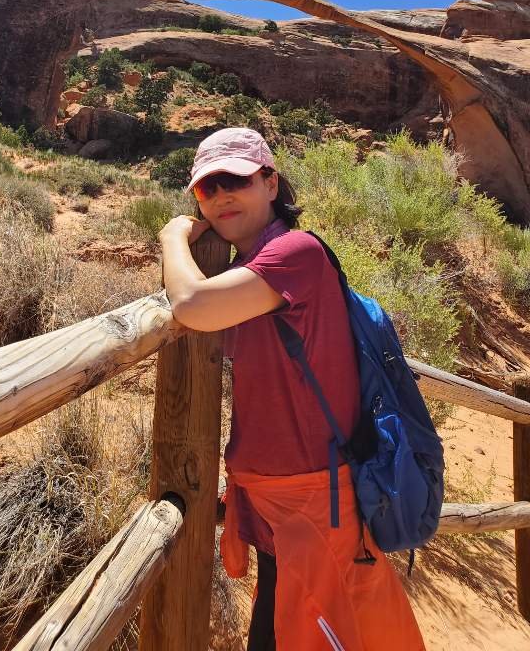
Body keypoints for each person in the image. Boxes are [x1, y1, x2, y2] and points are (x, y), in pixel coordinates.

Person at [158, 126, 426, 651]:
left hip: (312, 499)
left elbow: (193, 306)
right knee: (280, 626)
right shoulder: (247, 269)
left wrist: (172, 236)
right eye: (208, 187)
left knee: (310, 632)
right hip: (278, 497)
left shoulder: (296, 253)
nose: (221, 195)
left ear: (271, 183)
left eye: (236, 180)